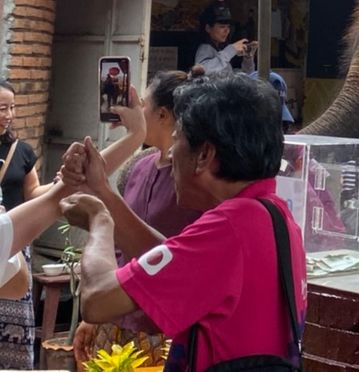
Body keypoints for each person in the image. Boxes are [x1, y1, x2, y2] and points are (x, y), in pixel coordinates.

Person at [59, 73, 306, 371]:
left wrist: (99, 221)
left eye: (177, 141)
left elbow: (98, 299)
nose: (171, 154)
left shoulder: (227, 229)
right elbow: (173, 260)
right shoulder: (271, 214)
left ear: (204, 155)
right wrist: (101, 190)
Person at [0, 78, 144, 370]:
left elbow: (50, 196)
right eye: (3, 108)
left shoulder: (20, 151)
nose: (9, 115)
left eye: (12, 107)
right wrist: (136, 135)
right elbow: (18, 283)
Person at [72, 70, 204, 366]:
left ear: (162, 115)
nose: (136, 111)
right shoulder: (140, 166)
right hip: (114, 315)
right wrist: (93, 317)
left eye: (142, 105)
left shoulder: (195, 180)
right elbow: (118, 245)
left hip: (160, 326)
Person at [193, 2, 255, 75]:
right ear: (208, 28)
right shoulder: (205, 48)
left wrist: (248, 57)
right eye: (222, 27)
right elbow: (203, 70)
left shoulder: (220, 49)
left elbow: (246, 75)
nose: (227, 31)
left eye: (228, 27)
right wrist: (231, 49)